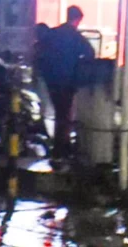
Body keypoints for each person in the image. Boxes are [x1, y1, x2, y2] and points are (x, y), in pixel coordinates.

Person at [37, 6, 95, 166]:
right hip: (68, 82)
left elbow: (41, 53)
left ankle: (60, 148)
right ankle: (59, 151)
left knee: (59, 115)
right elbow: (90, 53)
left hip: (51, 81)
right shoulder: (76, 36)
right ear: (77, 19)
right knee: (64, 117)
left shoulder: (53, 33)